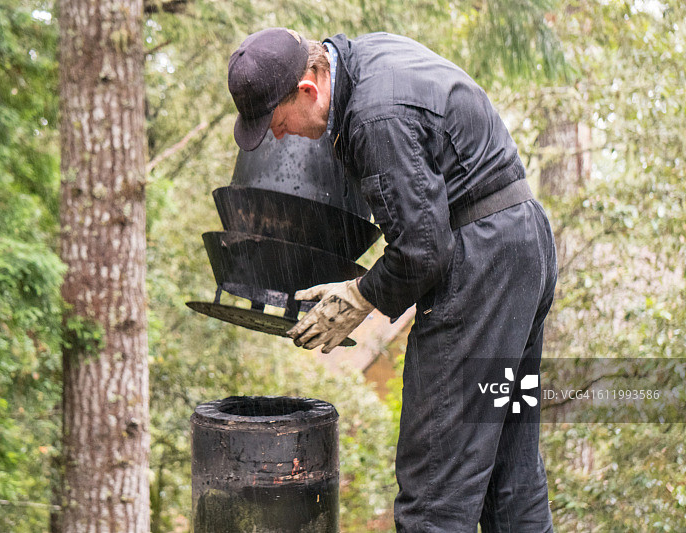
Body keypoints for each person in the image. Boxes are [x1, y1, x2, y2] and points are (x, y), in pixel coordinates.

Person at [227, 28, 557, 532]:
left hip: (482, 270)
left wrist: (360, 295)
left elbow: (423, 251)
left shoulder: (374, 118)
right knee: (510, 478)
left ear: (309, 90)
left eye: (277, 122)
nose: (279, 136)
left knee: (434, 494)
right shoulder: (366, 60)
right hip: (520, 247)